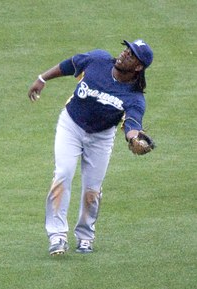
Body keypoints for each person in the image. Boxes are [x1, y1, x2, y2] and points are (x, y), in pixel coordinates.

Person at [28, 38, 154, 256]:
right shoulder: (98, 60)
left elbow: (132, 125)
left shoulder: (134, 98)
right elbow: (69, 65)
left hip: (101, 138)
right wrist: (42, 78)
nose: (124, 54)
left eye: (131, 55)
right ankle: (57, 236)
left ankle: (85, 237)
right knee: (63, 174)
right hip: (71, 126)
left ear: (138, 67)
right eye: (126, 49)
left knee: (92, 190)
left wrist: (134, 139)